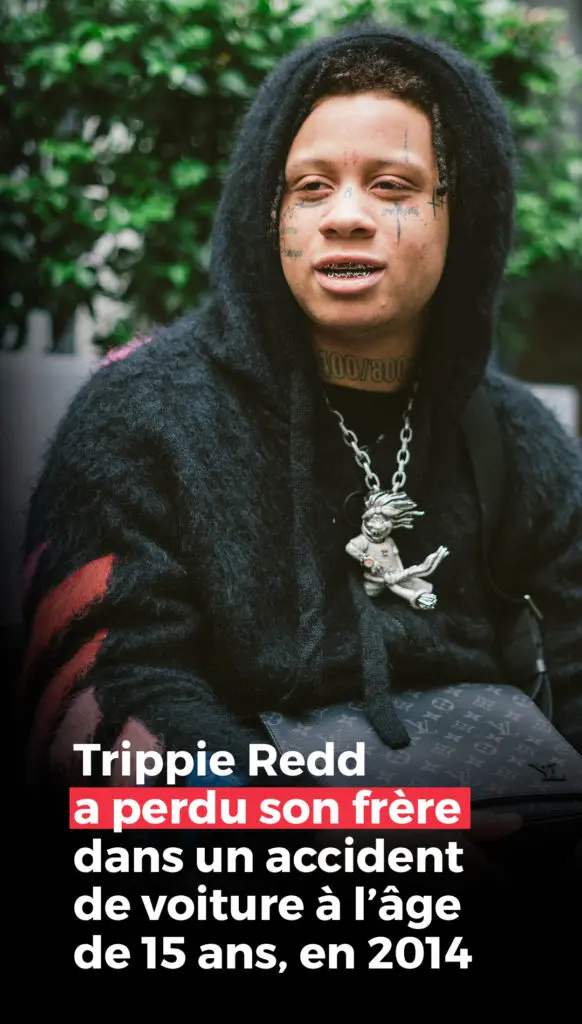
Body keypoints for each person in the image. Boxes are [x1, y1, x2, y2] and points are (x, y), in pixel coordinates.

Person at [17, 22, 582, 811]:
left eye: (393, 186)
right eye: (310, 187)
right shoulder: (136, 420)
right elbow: (96, 697)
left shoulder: (518, 441)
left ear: (463, 217)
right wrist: (323, 835)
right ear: (268, 213)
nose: (345, 215)